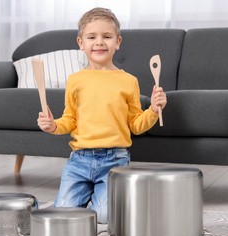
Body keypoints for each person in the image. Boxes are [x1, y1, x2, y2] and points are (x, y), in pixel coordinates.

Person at [37, 7, 167, 223]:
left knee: (106, 218)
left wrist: (153, 110)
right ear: (81, 43)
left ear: (118, 42)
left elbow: (135, 125)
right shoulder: (75, 80)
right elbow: (69, 119)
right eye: (91, 37)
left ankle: (101, 200)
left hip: (114, 160)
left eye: (107, 36)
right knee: (63, 216)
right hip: (79, 160)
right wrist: (53, 126)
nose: (99, 42)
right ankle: (86, 199)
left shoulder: (128, 81)